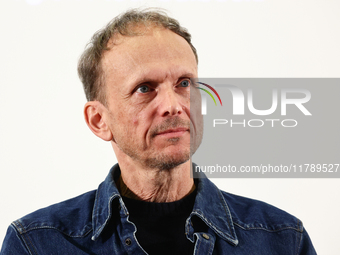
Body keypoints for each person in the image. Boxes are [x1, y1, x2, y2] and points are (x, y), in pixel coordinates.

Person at [0, 9, 316, 255]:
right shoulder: (36, 243)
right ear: (99, 120)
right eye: (144, 88)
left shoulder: (283, 238)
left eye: (184, 84)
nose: (173, 105)